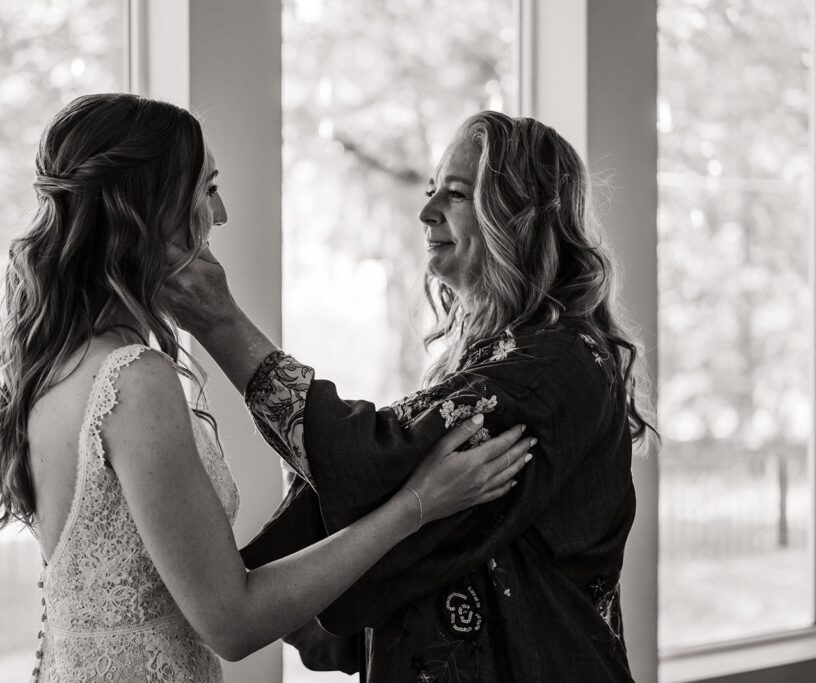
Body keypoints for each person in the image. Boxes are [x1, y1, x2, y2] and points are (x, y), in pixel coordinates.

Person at [0, 94, 534, 683]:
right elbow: (232, 622)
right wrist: (417, 505)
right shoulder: (134, 380)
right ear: (151, 207)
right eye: (207, 189)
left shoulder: (55, 362)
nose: (221, 214)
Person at [164, 111, 656, 682]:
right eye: (430, 191)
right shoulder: (487, 357)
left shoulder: (560, 364)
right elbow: (436, 519)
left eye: (456, 194)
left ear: (522, 216)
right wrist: (280, 603)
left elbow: (375, 463)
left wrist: (223, 325)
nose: (425, 214)